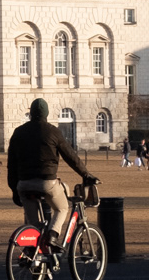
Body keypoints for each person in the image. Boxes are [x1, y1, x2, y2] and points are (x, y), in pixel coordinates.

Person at [6, 97, 96, 247]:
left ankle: (34, 255)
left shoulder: (18, 132)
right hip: (46, 182)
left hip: (24, 184)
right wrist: (85, 174)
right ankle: (53, 235)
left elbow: (11, 164)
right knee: (62, 208)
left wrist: (14, 189)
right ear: (46, 114)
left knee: (34, 226)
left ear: (31, 113)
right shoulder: (53, 132)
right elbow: (71, 157)